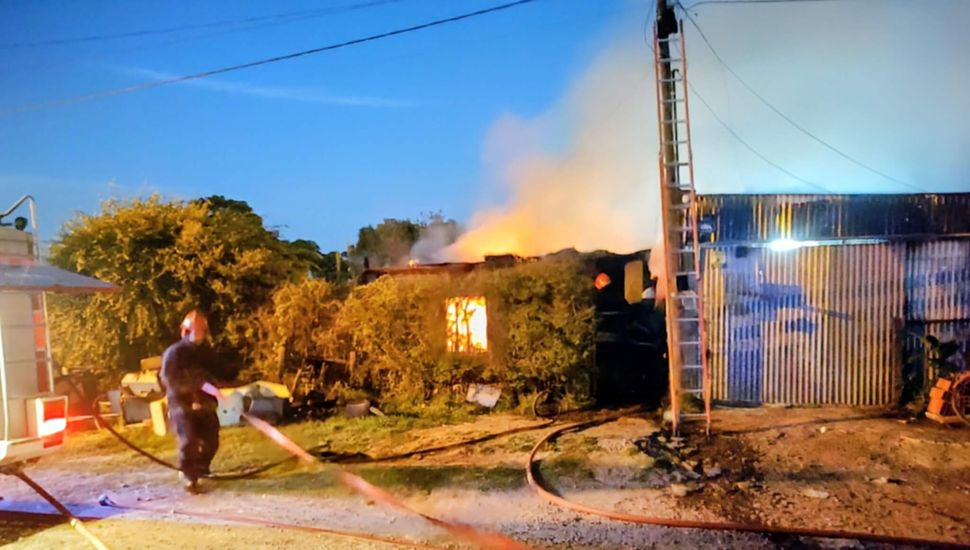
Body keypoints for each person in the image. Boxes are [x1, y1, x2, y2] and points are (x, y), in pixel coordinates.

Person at [159, 310, 220, 494]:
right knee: (189, 440)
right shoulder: (173, 353)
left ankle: (201, 468)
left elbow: (212, 374)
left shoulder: (205, 353)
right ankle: (189, 477)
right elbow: (169, 379)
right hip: (181, 404)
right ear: (185, 331)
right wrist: (195, 386)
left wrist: (212, 390)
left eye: (202, 330)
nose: (199, 334)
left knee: (211, 439)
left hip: (204, 403)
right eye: (196, 329)